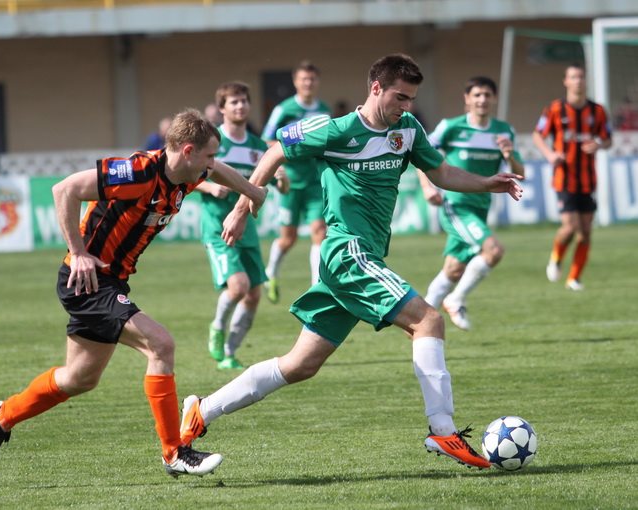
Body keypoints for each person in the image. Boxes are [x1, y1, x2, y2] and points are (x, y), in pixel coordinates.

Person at [179, 54, 524, 470]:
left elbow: (443, 173)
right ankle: (442, 429)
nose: (406, 106)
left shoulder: (407, 130)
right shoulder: (335, 129)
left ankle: (201, 410)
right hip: (347, 251)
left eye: (411, 99)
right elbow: (275, 151)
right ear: (376, 88)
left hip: (362, 257)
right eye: (400, 97)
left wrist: (488, 183)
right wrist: (241, 207)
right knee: (428, 320)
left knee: (300, 364)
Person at [0, 109, 267, 477]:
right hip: (88, 281)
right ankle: (174, 452)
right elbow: (64, 189)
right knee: (160, 345)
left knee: (79, 378)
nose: (212, 164)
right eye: (209, 155)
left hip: (111, 282)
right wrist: (78, 252)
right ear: (188, 151)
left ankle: (2, 415)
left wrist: (252, 191)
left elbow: (218, 170)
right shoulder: (138, 172)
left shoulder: (189, 172)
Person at [417, 76, 525, 331]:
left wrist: (509, 155)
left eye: (487, 95)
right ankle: (456, 300)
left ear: (494, 98)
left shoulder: (503, 131)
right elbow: (420, 154)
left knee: (454, 269)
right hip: (456, 206)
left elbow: (520, 171)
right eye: (477, 95)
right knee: (493, 250)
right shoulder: (451, 127)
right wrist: (427, 187)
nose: (482, 100)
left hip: (481, 207)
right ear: (467, 99)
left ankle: (418, 323)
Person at [197, 82, 289, 369]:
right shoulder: (211, 141)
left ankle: (229, 352)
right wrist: (210, 188)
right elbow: (185, 175)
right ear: (222, 108)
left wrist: (282, 179)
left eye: (244, 101)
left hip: (247, 228)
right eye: (233, 102)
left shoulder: (258, 146)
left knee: (253, 294)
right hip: (217, 226)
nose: (240, 106)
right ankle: (217, 327)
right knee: (238, 286)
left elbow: (280, 187)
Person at [532, 63, 612, 291]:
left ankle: (574, 278)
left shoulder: (598, 111)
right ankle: (556, 258)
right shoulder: (555, 109)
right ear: (566, 82)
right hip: (564, 179)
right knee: (570, 227)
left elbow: (608, 139)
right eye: (573, 77)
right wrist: (550, 154)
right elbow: (538, 135)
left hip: (588, 180)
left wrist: (598, 144)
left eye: (581, 77)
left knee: (585, 233)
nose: (578, 81)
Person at [261, 60, 331, 303]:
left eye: (312, 79)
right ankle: (271, 272)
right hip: (290, 184)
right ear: (295, 82)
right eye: (304, 79)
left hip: (315, 182)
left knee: (319, 232)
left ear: (317, 81)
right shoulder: (284, 110)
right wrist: (295, 149)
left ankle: (316, 286)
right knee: (288, 238)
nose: (308, 83)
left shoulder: (324, 110)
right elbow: (267, 140)